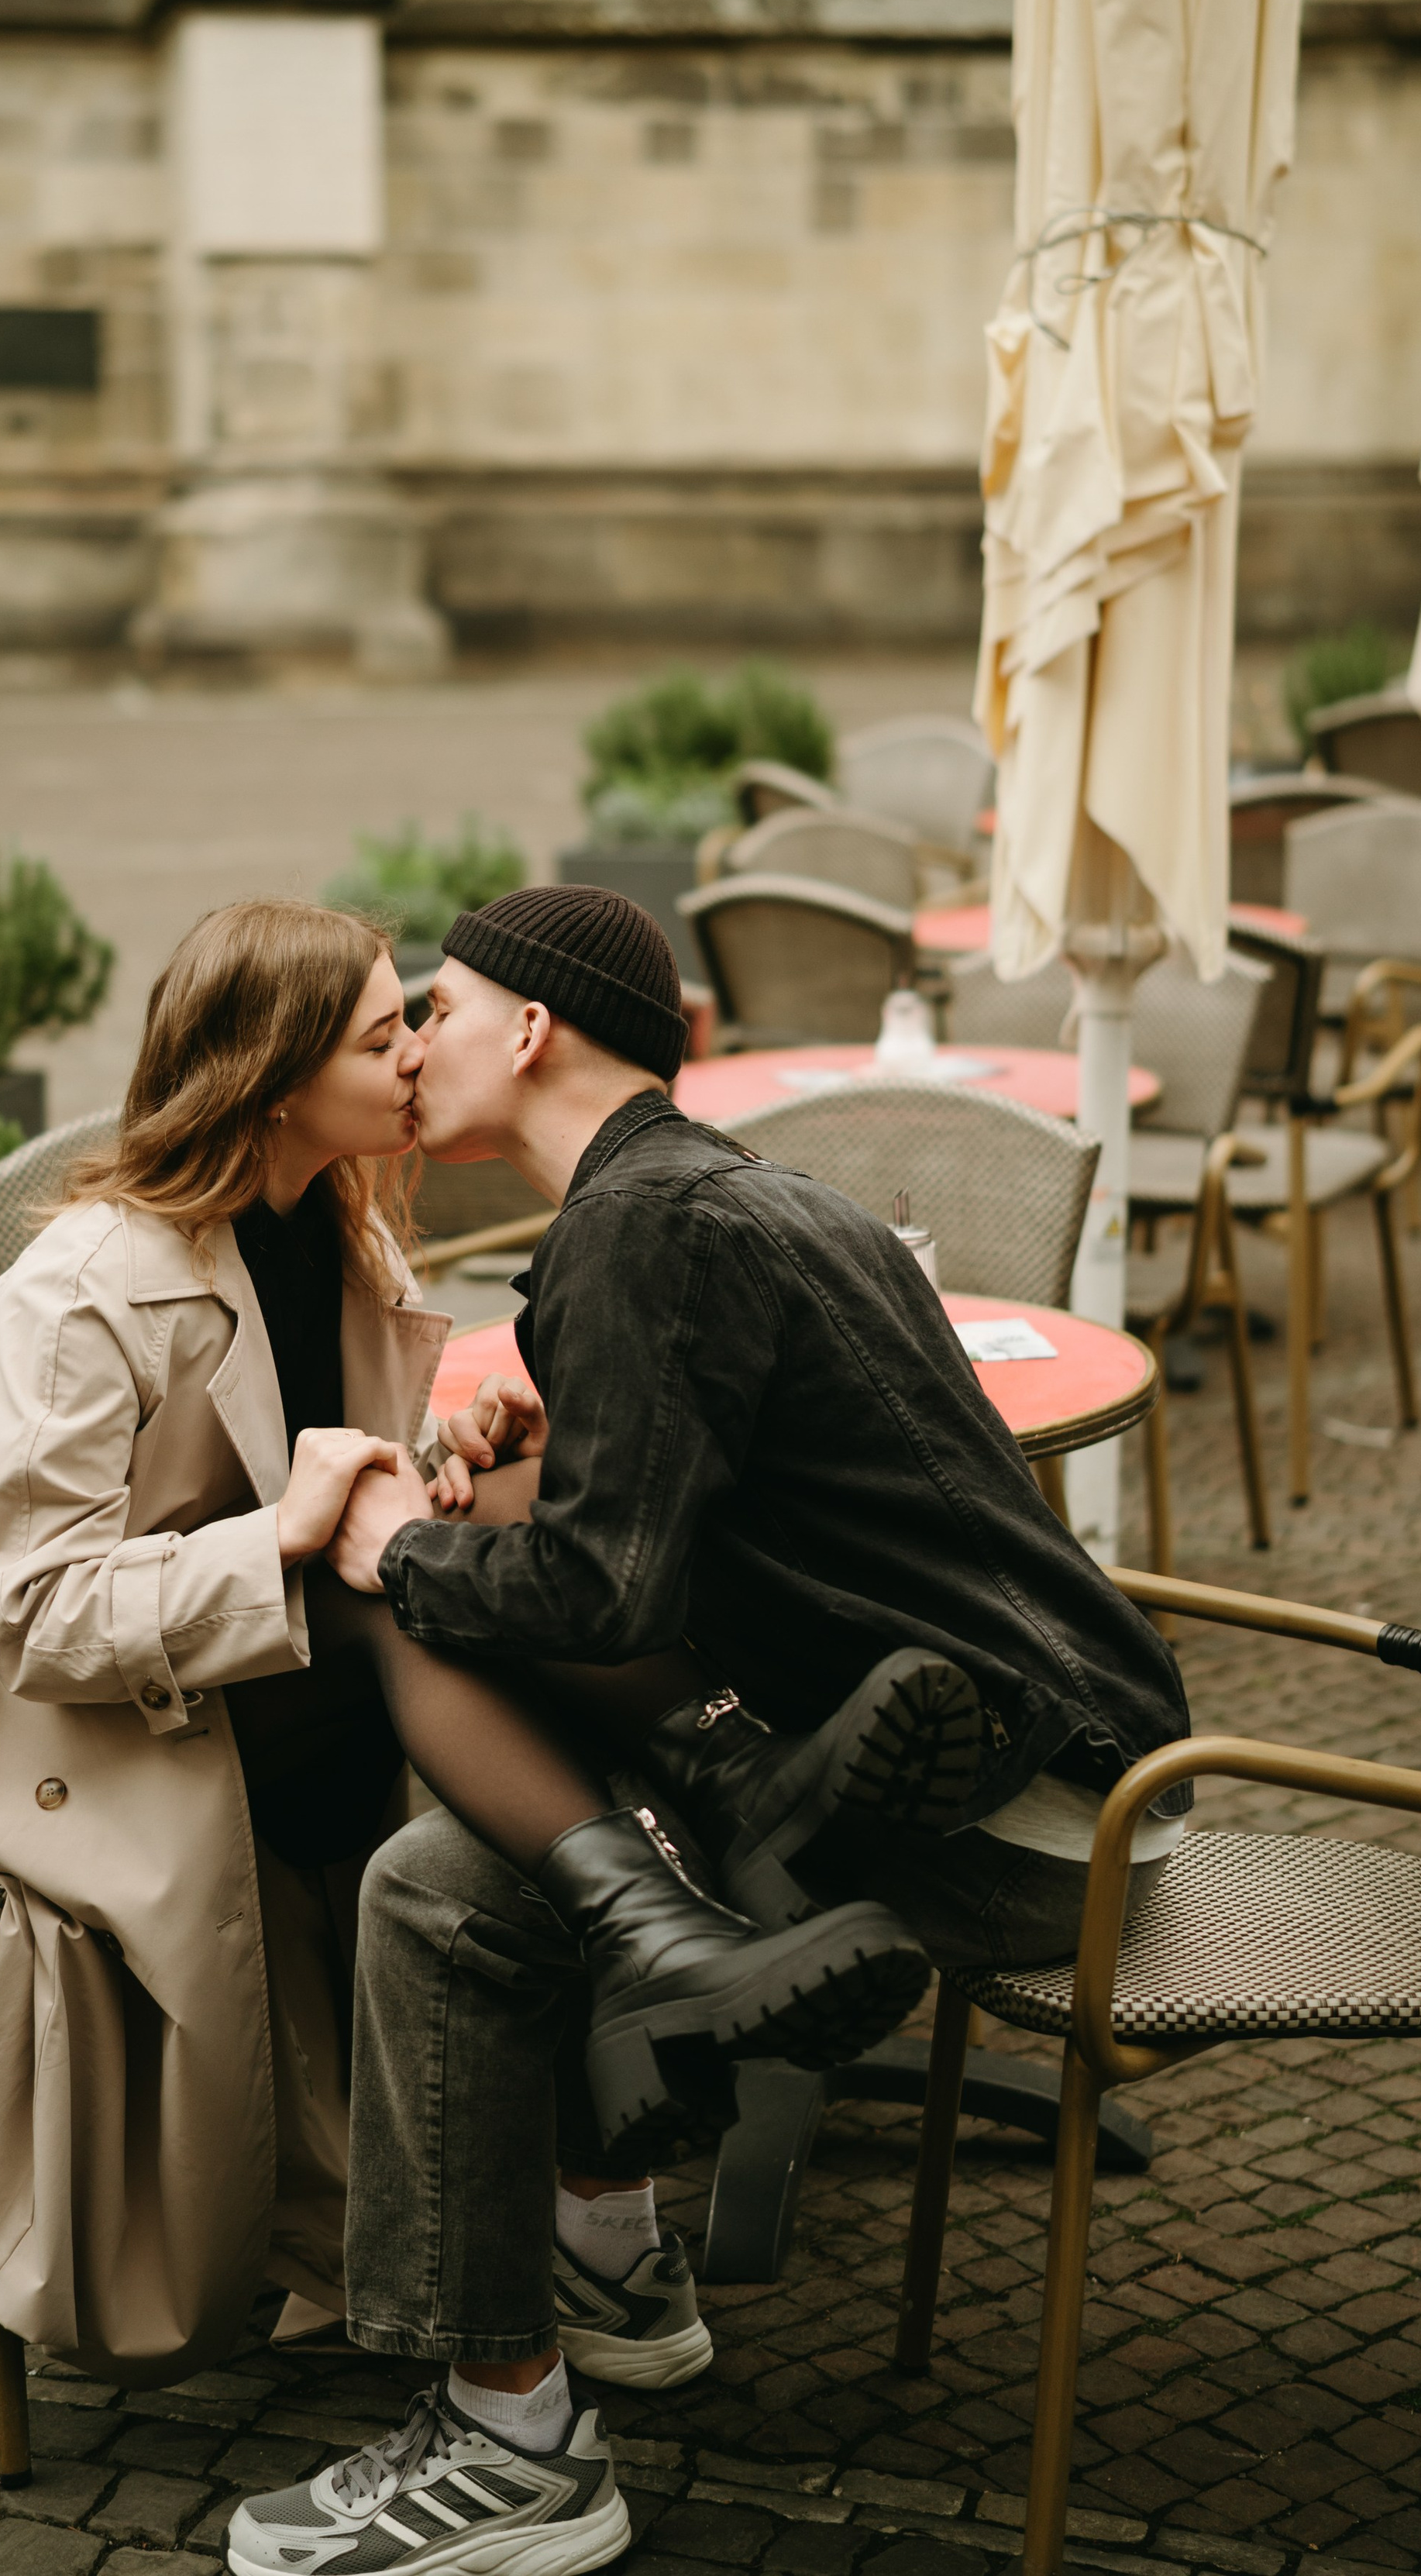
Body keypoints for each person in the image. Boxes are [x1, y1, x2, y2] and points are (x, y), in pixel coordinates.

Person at [227, 886, 1191, 2576]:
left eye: (437, 1008)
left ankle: (513, 2440)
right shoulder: (745, 1193)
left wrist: (398, 1546)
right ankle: (605, 2261)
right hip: (1100, 1767)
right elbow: (700, 1538)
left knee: (437, 1889)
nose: (415, 1045)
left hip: (1004, 1817)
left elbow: (602, 1595)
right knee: (488, 1844)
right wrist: (534, 1462)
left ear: (532, 1027)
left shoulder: (639, 1229)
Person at [0, 897, 930, 2388]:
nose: (420, 1052)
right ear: (274, 1081)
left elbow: (338, 1469)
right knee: (405, 1591)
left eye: (416, 1020)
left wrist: (453, 1452)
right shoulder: (78, 1291)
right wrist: (289, 1535)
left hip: (236, 1653)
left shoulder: (340, 1228)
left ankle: (652, 1980)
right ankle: (682, 1895)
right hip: (28, 1709)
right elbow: (38, 1614)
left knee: (510, 1529)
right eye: (384, 1036)